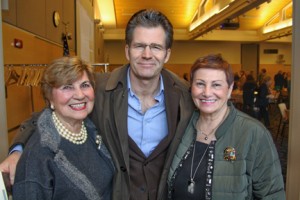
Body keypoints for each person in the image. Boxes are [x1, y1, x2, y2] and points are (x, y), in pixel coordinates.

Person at [0, 9, 195, 200]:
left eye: (156, 47)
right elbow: (45, 117)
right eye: (139, 46)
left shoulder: (184, 94)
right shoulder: (98, 88)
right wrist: (17, 152)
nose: (147, 54)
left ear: (167, 54)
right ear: (127, 50)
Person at [167, 54, 285, 199]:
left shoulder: (253, 133)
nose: (207, 92)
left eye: (216, 84)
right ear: (191, 87)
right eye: (200, 84)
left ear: (229, 89)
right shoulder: (181, 125)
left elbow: (272, 194)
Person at [12, 56, 115, 200]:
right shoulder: (38, 155)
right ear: (50, 98)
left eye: (85, 85)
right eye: (67, 87)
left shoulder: (92, 130)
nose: (79, 95)